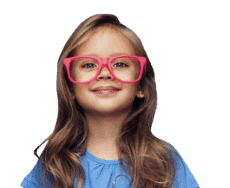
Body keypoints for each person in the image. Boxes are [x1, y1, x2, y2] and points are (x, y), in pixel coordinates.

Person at [20, 13, 200, 188]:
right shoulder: (56, 162)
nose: (105, 73)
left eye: (120, 64)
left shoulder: (165, 160)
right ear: (70, 87)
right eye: (89, 65)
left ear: (141, 86)